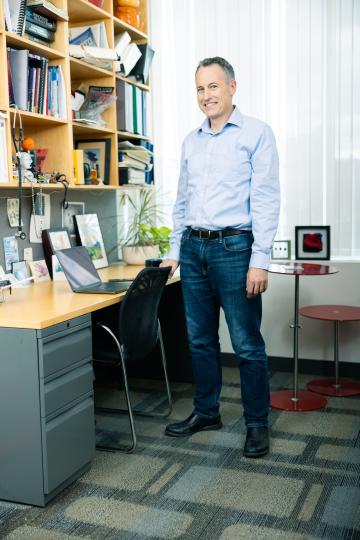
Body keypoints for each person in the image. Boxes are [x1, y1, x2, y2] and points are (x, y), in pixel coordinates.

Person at [160, 57, 280, 458]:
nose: (206, 95)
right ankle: (207, 411)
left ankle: (257, 424)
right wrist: (174, 252)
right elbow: (182, 201)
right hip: (194, 249)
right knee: (199, 341)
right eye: (199, 88)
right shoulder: (191, 141)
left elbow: (265, 199)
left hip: (235, 249)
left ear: (232, 87)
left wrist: (259, 259)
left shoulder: (257, 134)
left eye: (213, 86)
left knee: (246, 344)